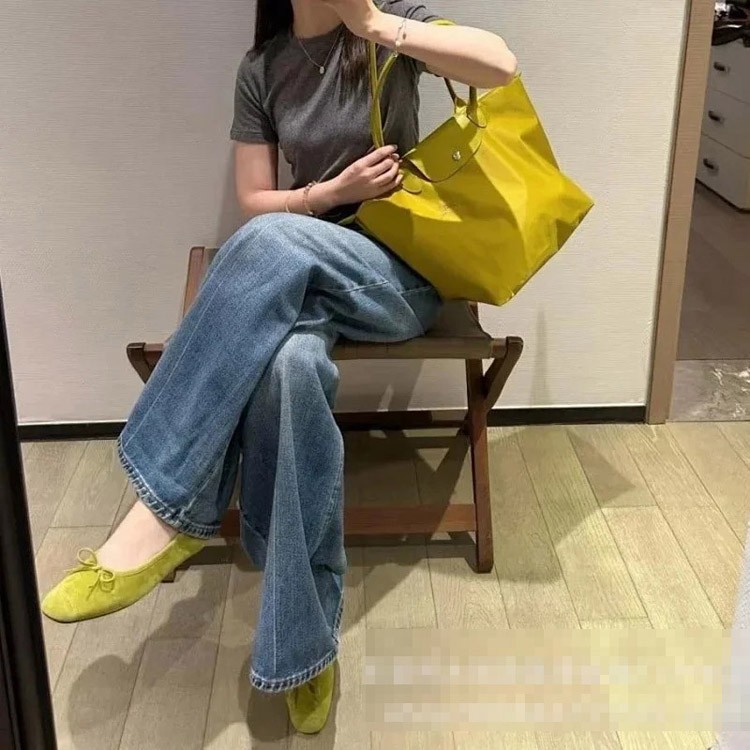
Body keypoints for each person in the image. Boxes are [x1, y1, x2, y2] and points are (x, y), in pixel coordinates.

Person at [41, 0, 517, 734]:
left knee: (263, 244)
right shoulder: (262, 69)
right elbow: (256, 198)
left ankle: (165, 508)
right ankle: (304, 646)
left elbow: (501, 66)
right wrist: (332, 195)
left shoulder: (393, 26)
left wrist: (375, 26)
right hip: (300, 274)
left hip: (397, 277)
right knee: (290, 366)